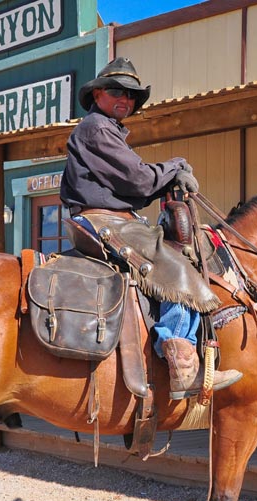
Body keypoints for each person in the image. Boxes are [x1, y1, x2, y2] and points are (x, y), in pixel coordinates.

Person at [59, 57, 242, 400]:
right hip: (103, 221)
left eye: (132, 95)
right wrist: (176, 167)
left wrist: (169, 176)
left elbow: (135, 187)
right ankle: (181, 364)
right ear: (97, 93)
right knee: (175, 266)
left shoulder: (105, 130)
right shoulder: (97, 128)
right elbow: (139, 180)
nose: (125, 99)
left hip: (109, 218)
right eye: (117, 91)